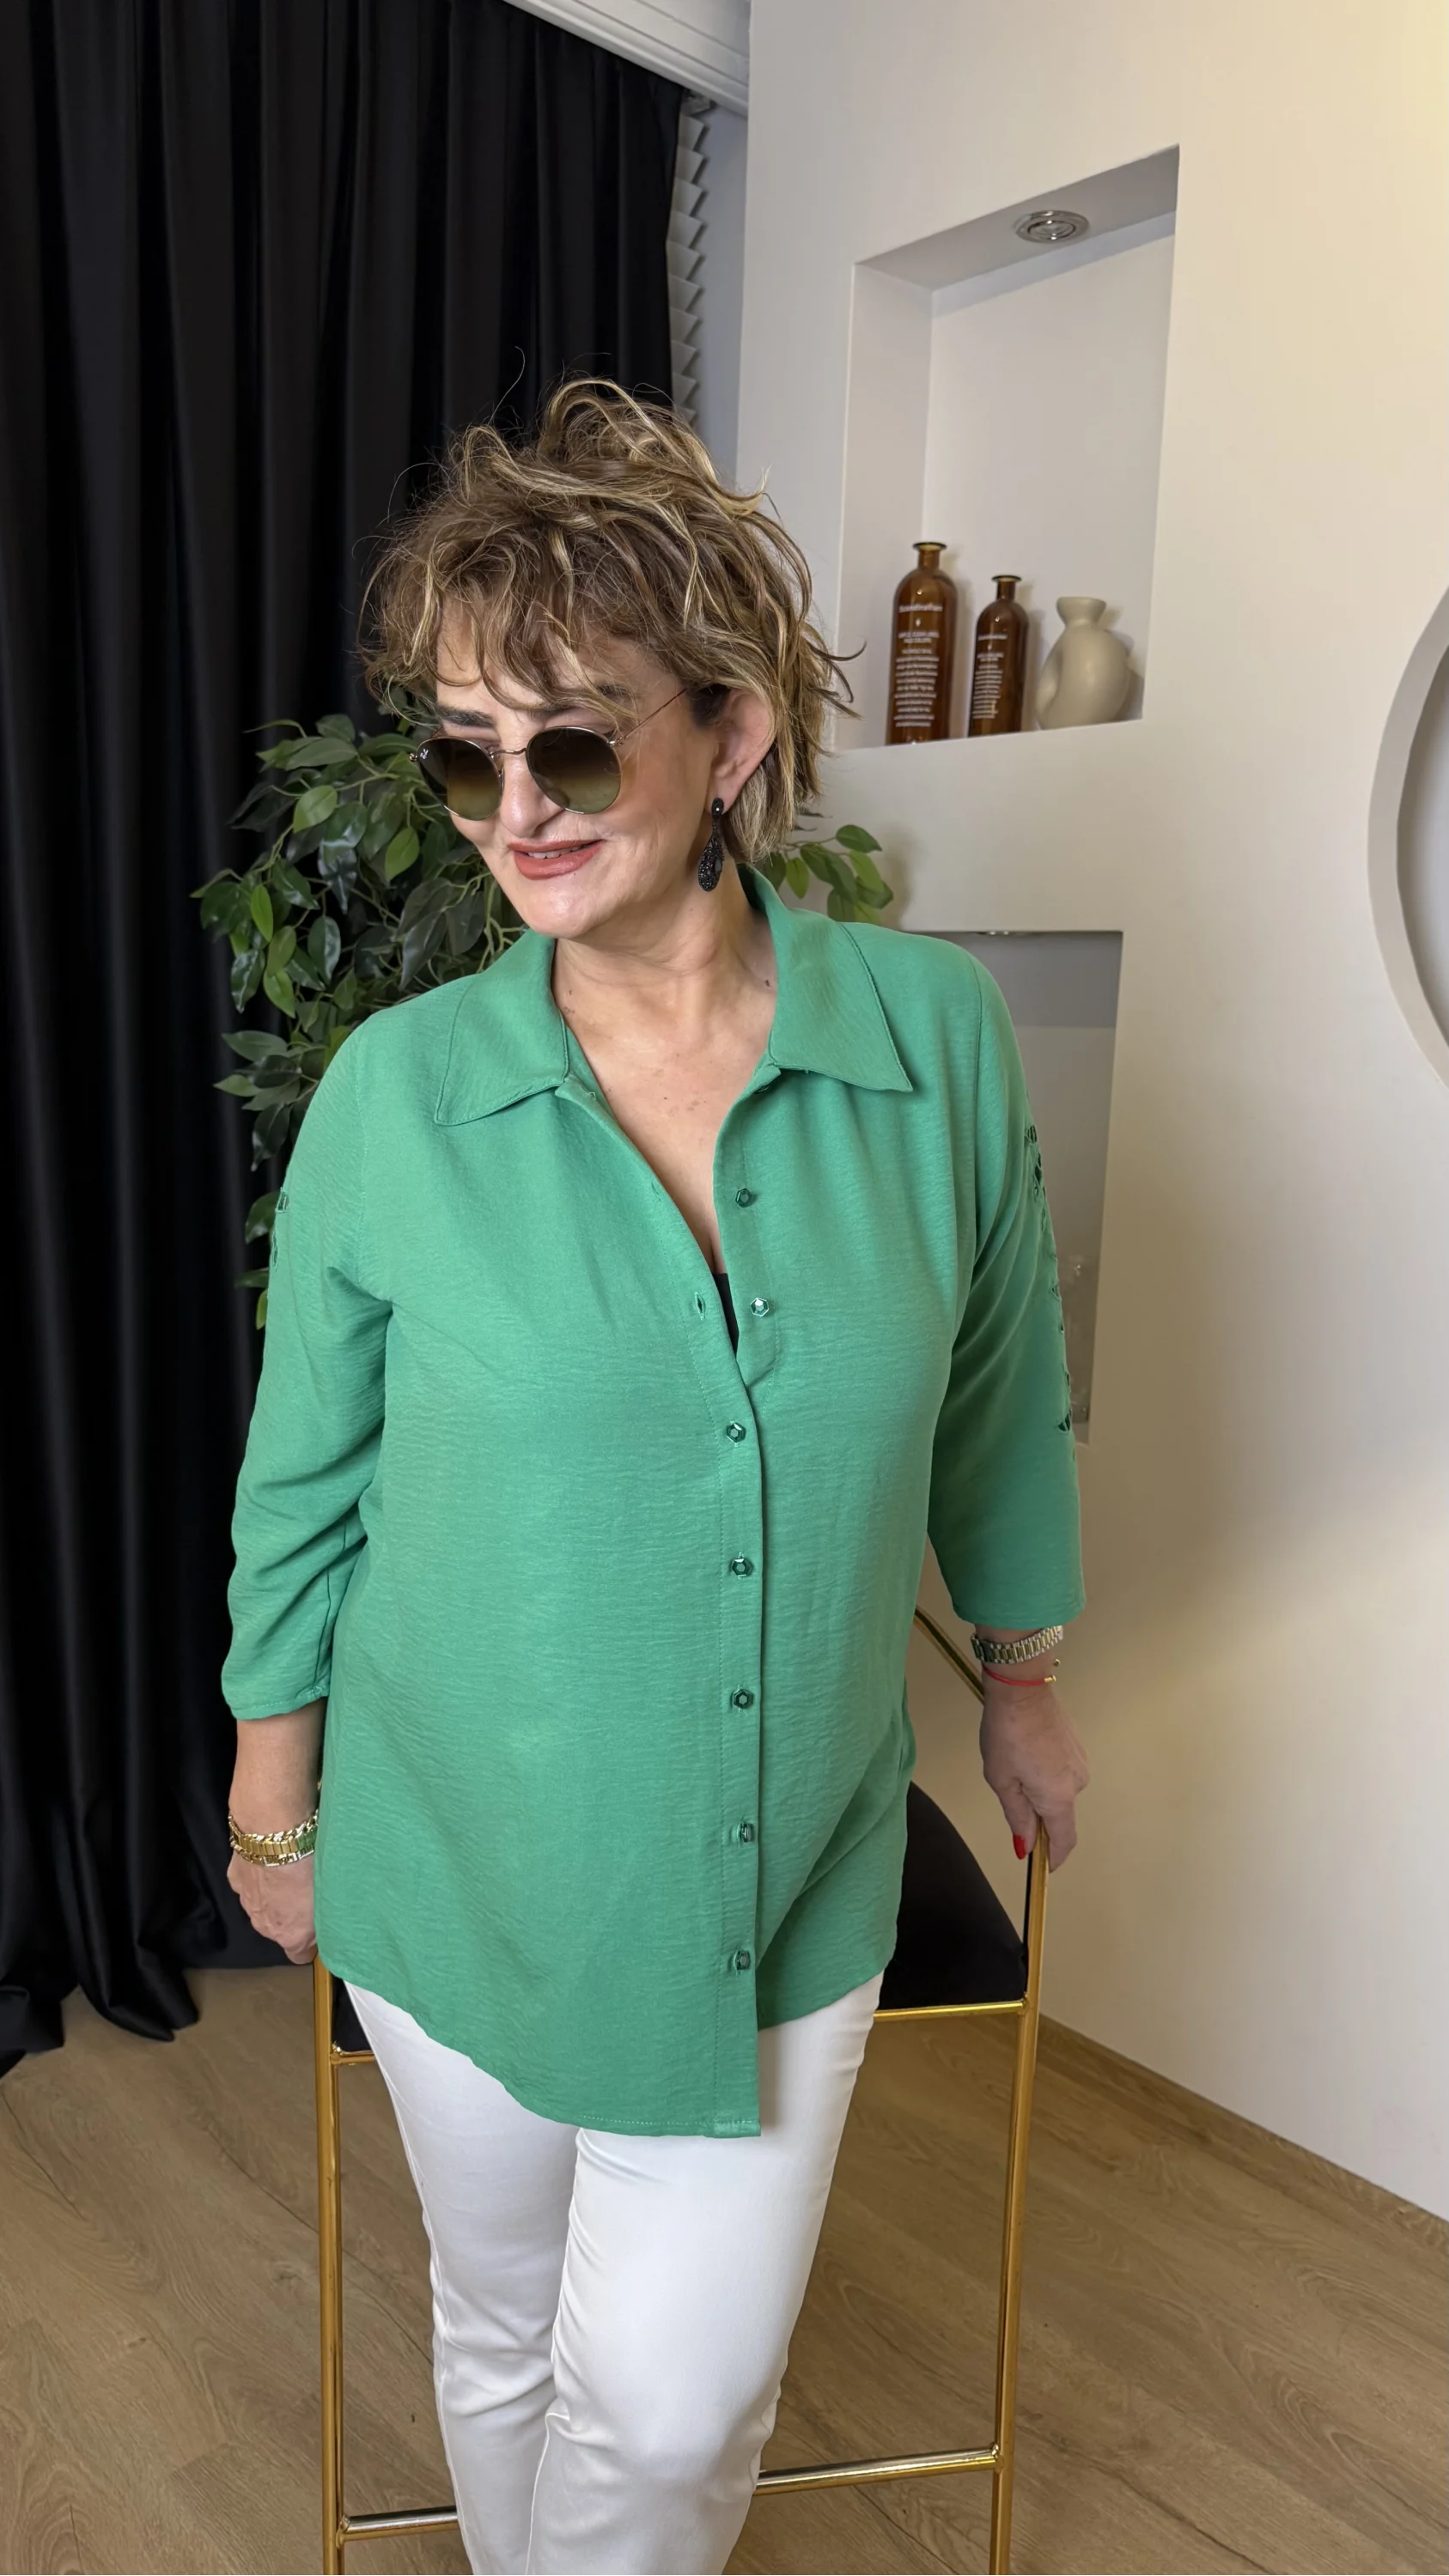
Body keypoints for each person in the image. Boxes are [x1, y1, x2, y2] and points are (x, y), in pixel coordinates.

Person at [222, 380, 1089, 2576]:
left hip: (790, 1858)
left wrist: (1017, 1675)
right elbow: (303, 1484)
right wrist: (274, 1807)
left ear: (733, 735)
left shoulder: (934, 1046)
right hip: (458, 1855)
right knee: (502, 2320)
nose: (516, 810)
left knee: (676, 2399)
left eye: (578, 746)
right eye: (467, 756)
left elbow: (998, 1387)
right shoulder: (397, 1096)